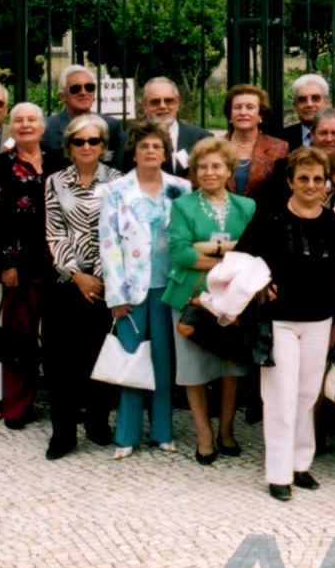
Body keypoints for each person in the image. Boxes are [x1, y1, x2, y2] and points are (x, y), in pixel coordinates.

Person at [237, 149, 335, 500]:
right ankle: (278, 474)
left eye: (317, 179)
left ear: (326, 183)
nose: (311, 185)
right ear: (290, 181)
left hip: (318, 319)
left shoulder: (333, 223)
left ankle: (301, 464)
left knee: (307, 394)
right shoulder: (270, 218)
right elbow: (242, 259)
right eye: (303, 178)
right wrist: (260, 285)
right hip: (279, 320)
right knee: (280, 396)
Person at [99, 120, 189, 458]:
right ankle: (126, 435)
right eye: (144, 146)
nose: (151, 151)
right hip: (130, 290)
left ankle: (163, 431)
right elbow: (109, 245)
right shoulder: (116, 190)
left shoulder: (181, 188)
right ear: (133, 153)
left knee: (164, 361)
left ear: (165, 153)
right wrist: (116, 295)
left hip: (168, 287)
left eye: (157, 146)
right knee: (131, 359)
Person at [166, 136, 254, 464]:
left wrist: (206, 247)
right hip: (191, 296)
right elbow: (180, 252)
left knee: (230, 366)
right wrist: (228, 256)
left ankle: (226, 430)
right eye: (202, 167)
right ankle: (204, 434)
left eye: (216, 166)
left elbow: (252, 250)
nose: (209, 172)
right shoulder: (182, 206)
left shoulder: (247, 207)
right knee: (194, 370)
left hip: (232, 299)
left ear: (229, 170)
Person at [41, 113, 119, 460]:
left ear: (103, 146)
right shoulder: (55, 182)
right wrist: (77, 274)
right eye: (79, 141)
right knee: (61, 361)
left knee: (98, 354)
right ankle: (63, 432)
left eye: (93, 141)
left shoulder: (117, 181)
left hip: (104, 281)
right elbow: (55, 232)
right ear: (69, 145)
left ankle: (97, 421)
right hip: (66, 281)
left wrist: (98, 276)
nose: (87, 147)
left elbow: (117, 231)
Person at [0, 103, 54, 430]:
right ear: (11, 126)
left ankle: (64, 402)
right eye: (18, 120)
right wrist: (3, 263)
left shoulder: (60, 162)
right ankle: (18, 406)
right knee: (19, 337)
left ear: (42, 126)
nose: (25, 125)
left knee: (59, 337)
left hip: (59, 265)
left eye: (32, 119)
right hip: (17, 267)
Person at [43, 64, 124, 161]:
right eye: (75, 89)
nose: (83, 93)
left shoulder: (111, 126)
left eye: (89, 87)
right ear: (62, 96)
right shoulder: (47, 128)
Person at [223, 83, 289, 199]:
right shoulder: (214, 148)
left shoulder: (279, 148)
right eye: (237, 107)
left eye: (250, 107)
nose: (243, 112)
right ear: (230, 115)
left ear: (260, 115)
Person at [138, 76, 211, 178]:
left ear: (178, 102)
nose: (162, 106)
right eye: (155, 102)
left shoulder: (202, 139)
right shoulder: (129, 141)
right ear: (145, 106)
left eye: (169, 101)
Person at [279, 73, 335, 150]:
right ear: (295, 105)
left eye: (315, 98)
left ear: (327, 102)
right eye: (302, 100)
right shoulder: (282, 139)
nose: (309, 104)